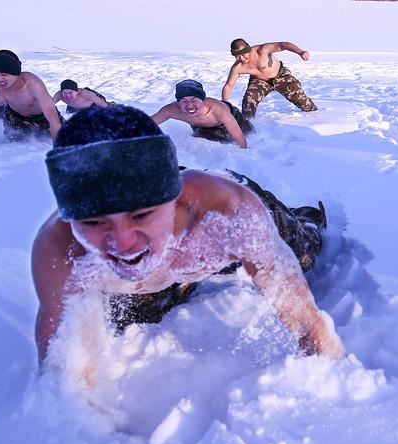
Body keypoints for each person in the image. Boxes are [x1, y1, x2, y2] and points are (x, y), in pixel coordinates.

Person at [32, 105, 343, 367]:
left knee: (303, 251)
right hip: (170, 265)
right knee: (126, 321)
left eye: (141, 215)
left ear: (174, 198)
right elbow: (66, 378)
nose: (123, 244)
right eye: (94, 222)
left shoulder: (227, 212)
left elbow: (308, 325)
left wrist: (331, 374)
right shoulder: (60, 250)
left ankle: (304, 221)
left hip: (215, 211)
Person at [221, 38, 317, 119]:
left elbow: (283, 45)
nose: (241, 59)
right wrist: (225, 104)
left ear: (248, 49)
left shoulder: (262, 50)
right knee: (249, 100)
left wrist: (300, 52)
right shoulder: (237, 67)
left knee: (302, 101)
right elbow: (228, 86)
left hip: (280, 76)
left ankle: (316, 115)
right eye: (237, 56)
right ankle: (248, 125)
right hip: (259, 81)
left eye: (243, 54)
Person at [151, 79, 252, 148]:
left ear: (202, 100)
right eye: (184, 101)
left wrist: (245, 152)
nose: (189, 105)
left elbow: (239, 137)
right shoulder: (171, 110)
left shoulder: (217, 109)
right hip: (203, 128)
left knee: (249, 135)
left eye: (194, 100)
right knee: (208, 143)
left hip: (234, 119)